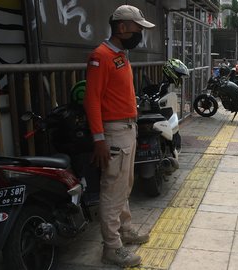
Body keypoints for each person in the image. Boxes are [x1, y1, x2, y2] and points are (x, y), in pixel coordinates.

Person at [83, 4, 153, 267]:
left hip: (127, 129)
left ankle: (125, 230)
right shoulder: (100, 56)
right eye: (137, 28)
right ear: (122, 28)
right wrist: (99, 138)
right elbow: (92, 100)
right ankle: (112, 247)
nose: (140, 34)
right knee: (112, 190)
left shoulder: (120, 55)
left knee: (124, 185)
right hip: (113, 133)